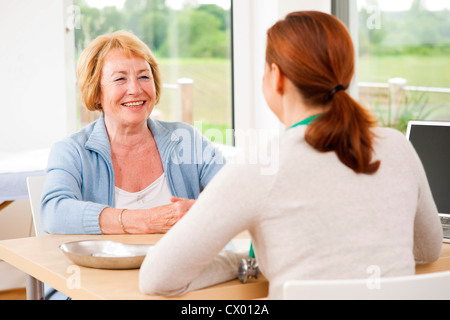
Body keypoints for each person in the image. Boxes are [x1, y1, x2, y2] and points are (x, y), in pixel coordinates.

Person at [138, 11, 442, 299]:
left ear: (276, 76)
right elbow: (428, 250)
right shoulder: (396, 145)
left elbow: (157, 278)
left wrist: (250, 261)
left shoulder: (262, 163)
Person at [40, 30, 225, 235]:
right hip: (103, 267)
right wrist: (144, 221)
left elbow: (238, 191)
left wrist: (203, 210)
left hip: (181, 265)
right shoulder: (72, 151)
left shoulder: (186, 139)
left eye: (144, 76)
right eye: (120, 79)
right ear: (97, 91)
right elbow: (53, 213)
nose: (135, 89)